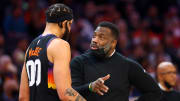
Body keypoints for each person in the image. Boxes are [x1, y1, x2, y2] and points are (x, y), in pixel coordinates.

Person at [70, 21, 162, 101]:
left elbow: (154, 92)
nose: (95, 40)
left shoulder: (127, 65)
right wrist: (90, 87)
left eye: (101, 37)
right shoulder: (79, 62)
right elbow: (69, 93)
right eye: (94, 36)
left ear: (113, 43)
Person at [19, 3, 86, 101]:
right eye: (70, 24)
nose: (70, 29)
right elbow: (66, 92)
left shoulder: (30, 47)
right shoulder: (60, 45)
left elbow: (22, 97)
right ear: (64, 23)